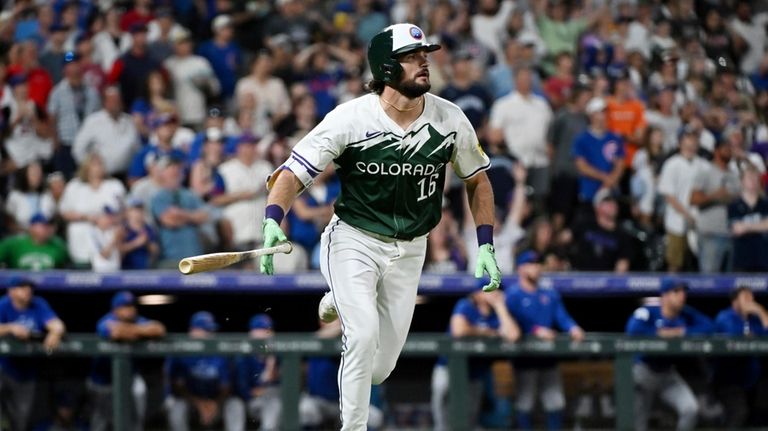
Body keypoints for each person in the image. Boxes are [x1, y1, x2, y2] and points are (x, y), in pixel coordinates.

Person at [259, 23, 500, 430]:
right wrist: (272, 220)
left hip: (411, 247)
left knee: (379, 370)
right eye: (412, 56)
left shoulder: (450, 118)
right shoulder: (350, 117)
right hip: (355, 239)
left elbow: (477, 179)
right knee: (363, 333)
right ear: (387, 67)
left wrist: (486, 244)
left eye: (425, 54)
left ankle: (339, 297)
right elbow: (292, 173)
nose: (424, 62)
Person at [504, 250, 585, 430]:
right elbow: (512, 321)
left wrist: (573, 328)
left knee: (555, 402)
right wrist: (534, 330)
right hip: (524, 357)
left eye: (538, 264)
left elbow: (561, 316)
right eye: (531, 264)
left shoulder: (549, 294)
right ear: (521, 269)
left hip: (549, 359)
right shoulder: (512, 295)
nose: (536, 268)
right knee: (525, 403)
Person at [625, 278, 714, 431]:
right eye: (676, 291)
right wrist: (657, 334)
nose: (682, 296)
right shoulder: (650, 311)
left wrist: (682, 332)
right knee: (638, 425)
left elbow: (709, 326)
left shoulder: (685, 313)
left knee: (690, 410)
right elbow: (632, 329)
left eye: (683, 291)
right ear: (665, 295)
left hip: (667, 374)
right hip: (643, 372)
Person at [431, 287, 520, 431]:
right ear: (478, 293)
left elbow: (513, 335)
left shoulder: (498, 314)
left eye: (497, 290)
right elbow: (458, 330)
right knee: (442, 408)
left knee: (469, 416)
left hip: (476, 372)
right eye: (490, 290)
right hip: (449, 367)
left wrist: (500, 307)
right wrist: (487, 332)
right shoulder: (466, 305)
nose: (495, 294)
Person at [88, 291, 166, 431]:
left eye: (132, 306)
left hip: (129, 379)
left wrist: (131, 331)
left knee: (134, 419)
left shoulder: (137, 320)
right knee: (101, 422)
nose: (131, 310)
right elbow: (116, 332)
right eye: (125, 306)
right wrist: (141, 332)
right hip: (103, 382)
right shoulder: (105, 320)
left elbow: (159, 329)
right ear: (115, 309)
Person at [0, 276, 66, 431]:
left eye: (29, 287)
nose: (28, 290)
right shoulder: (3, 304)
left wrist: (55, 333)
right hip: (3, 367)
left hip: (26, 372)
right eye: (22, 287)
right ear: (11, 291)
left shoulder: (38, 304)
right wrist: (10, 328)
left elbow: (57, 324)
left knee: (21, 419)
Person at [164, 311, 244, 431]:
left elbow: (226, 386)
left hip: (216, 401)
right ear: (193, 331)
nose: (210, 335)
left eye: (211, 331)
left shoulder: (220, 352)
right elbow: (177, 386)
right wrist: (199, 403)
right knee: (176, 406)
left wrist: (215, 404)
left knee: (235, 404)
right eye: (206, 331)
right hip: (190, 401)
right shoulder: (181, 352)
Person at [712, 286, 768, 427]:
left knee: (751, 419)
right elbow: (732, 337)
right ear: (735, 301)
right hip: (728, 380)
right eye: (746, 298)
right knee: (738, 413)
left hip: (750, 380)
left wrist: (761, 312)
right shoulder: (724, 316)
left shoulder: (754, 319)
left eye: (752, 298)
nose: (751, 302)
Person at [690, 139, 741, 273]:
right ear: (716, 151)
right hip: (710, 233)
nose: (729, 151)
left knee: (730, 283)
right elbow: (693, 199)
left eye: (730, 148)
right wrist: (714, 196)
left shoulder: (734, 175)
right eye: (725, 148)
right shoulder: (706, 172)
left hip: (732, 233)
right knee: (709, 281)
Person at [235, 314, 280, 431]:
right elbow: (243, 390)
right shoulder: (244, 357)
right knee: (271, 402)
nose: (265, 334)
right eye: (261, 331)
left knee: (274, 402)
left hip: (275, 401)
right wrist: (257, 392)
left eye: (267, 331)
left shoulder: (276, 354)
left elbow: (284, 383)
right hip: (252, 403)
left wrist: (271, 361)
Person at [728, 164, 768, 272]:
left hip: (764, 259)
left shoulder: (765, 203)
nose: (753, 181)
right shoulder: (734, 205)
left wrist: (746, 226)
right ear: (742, 181)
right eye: (749, 178)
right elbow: (737, 229)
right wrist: (761, 225)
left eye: (756, 178)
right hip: (742, 260)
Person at [0, 213, 68, 270]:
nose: (48, 228)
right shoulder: (13, 244)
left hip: (49, 285)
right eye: (44, 225)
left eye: (50, 225)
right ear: (32, 227)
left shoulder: (58, 246)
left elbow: (66, 269)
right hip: (19, 284)